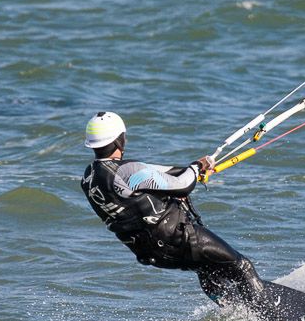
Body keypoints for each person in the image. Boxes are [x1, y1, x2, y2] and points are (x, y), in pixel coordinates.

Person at [80, 111, 268, 310]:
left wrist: (194, 169)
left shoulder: (89, 178)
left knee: (208, 270)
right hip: (178, 238)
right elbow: (182, 185)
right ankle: (269, 315)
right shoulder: (126, 171)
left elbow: (160, 173)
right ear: (120, 140)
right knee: (241, 266)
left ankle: (238, 314)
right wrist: (195, 168)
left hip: (152, 253)